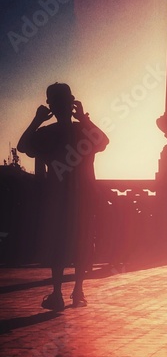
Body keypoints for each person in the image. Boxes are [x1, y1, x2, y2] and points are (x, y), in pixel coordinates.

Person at [18, 83, 109, 311]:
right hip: (83, 196)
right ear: (72, 103)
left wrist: (37, 120)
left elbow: (22, 146)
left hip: (58, 198)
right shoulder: (82, 130)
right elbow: (104, 141)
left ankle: (58, 293)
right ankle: (77, 291)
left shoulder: (48, 133)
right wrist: (85, 119)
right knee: (82, 241)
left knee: (59, 243)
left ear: (51, 106)